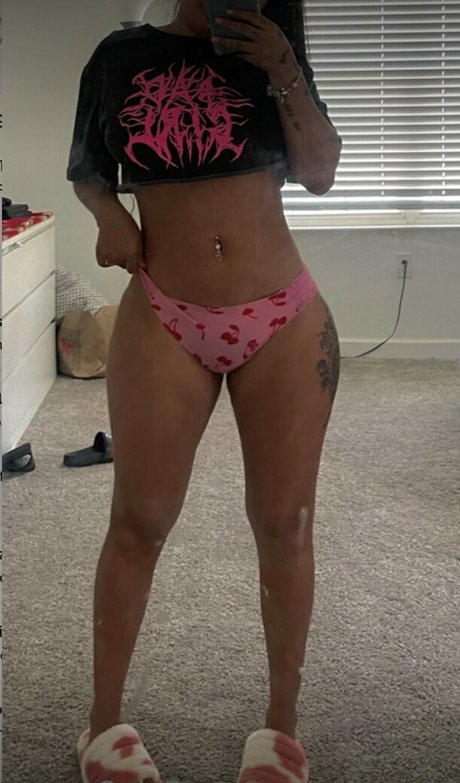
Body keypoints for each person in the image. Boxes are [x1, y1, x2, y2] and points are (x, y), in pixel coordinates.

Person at [67, 0, 342, 780]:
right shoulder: (120, 55)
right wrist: (108, 214)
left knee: (286, 521)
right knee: (139, 518)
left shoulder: (275, 52)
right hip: (166, 310)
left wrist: (283, 68)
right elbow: (88, 169)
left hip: (284, 314)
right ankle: (101, 726)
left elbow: (320, 174)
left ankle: (281, 731)